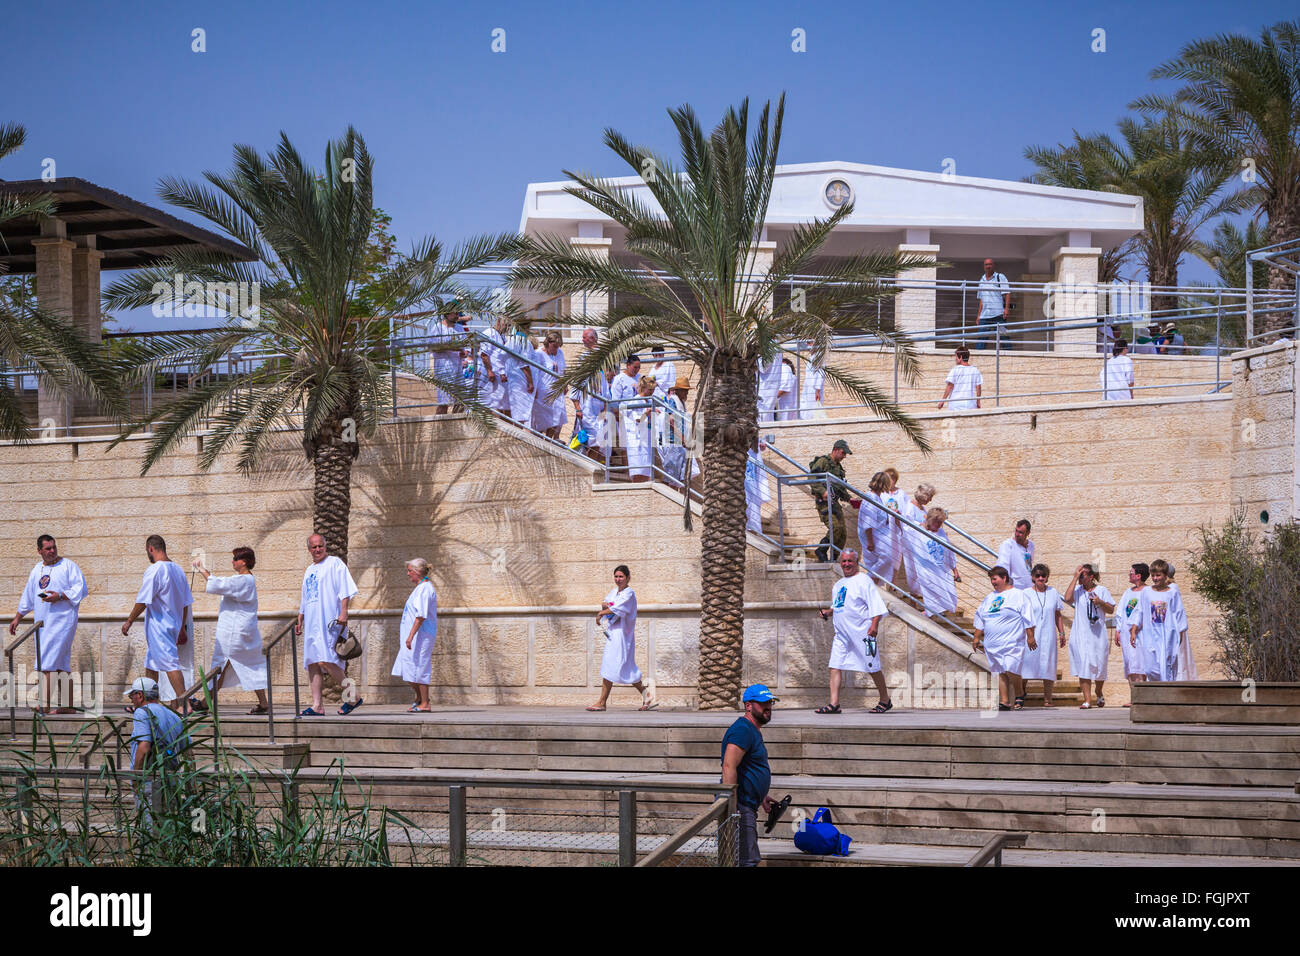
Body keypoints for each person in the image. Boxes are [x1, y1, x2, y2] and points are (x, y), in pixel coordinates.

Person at [9, 534, 87, 714]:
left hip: (63, 622)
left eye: (54, 547)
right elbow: (30, 595)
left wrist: (59, 596)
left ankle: (44, 705)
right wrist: (17, 618)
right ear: (39, 551)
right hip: (43, 624)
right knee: (60, 664)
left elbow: (80, 589)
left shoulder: (68, 566)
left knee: (49, 663)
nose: (52, 551)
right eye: (48, 548)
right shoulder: (37, 570)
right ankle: (68, 706)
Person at [192, 547, 269, 715]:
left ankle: (205, 703)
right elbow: (223, 583)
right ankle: (264, 703)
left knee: (220, 667)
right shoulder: (244, 580)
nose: (232, 561)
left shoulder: (244, 580)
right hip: (244, 632)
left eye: (235, 558)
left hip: (235, 634)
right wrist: (207, 572)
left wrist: (201, 569)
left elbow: (219, 584)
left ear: (244, 562)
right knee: (250, 667)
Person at [121, 535, 193, 712]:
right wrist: (181, 627)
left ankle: (185, 705)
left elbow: (143, 600)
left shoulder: (155, 570)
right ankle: (149, 704)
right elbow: (185, 604)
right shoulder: (178, 570)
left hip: (160, 627)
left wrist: (129, 620)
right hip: (173, 626)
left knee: (170, 664)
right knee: (151, 665)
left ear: (150, 549)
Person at [816, 550, 891, 714]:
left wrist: (874, 625)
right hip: (842, 636)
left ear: (856, 562)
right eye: (844, 561)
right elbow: (839, 606)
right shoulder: (838, 585)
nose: (847, 564)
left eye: (850, 561)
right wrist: (828, 612)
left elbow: (876, 605)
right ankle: (834, 704)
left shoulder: (864, 581)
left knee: (873, 666)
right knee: (834, 665)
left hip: (865, 635)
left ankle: (885, 700)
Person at [295, 533, 360, 716]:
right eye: (313, 547)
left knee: (328, 659)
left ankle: (353, 696)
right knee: (313, 662)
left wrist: (344, 611)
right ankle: (317, 705)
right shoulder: (309, 570)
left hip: (330, 620)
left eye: (320, 546)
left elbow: (344, 589)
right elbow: (305, 596)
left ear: (325, 546)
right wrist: (300, 616)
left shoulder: (335, 563)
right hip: (312, 622)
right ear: (309, 549)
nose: (317, 550)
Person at [721, 684, 778, 867]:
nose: (768, 706)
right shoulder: (743, 730)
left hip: (747, 803)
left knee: (744, 858)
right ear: (748, 706)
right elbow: (729, 766)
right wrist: (732, 808)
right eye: (763, 703)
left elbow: (748, 768)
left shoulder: (752, 730)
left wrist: (761, 795)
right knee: (746, 861)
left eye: (770, 702)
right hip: (740, 806)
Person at [125, 676, 189, 829]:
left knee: (149, 830)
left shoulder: (142, 712)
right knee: (167, 829)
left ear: (140, 695)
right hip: (170, 778)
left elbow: (144, 746)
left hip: (150, 779)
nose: (131, 700)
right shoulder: (173, 715)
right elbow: (188, 750)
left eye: (131, 696)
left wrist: (136, 777)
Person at [588, 565, 653, 711]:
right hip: (613, 634)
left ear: (628, 577)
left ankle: (602, 702)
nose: (618, 579)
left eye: (621, 577)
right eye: (616, 576)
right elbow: (607, 603)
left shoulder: (629, 593)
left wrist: (601, 613)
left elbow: (616, 608)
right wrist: (606, 607)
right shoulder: (614, 592)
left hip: (623, 636)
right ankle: (645, 695)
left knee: (618, 666)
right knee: (614, 667)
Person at [972, 566, 1036, 710]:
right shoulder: (989, 597)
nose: (992, 582)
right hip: (992, 643)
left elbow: (1027, 616)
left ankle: (1020, 693)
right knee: (999, 671)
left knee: (1011, 668)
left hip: (1012, 641)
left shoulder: (1018, 594)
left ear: (1004, 578)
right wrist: (976, 637)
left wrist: (1030, 636)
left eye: (994, 579)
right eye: (991, 579)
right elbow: (981, 618)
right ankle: (1005, 701)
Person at [1064, 563, 1116, 709]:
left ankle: (1098, 691)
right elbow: (1067, 598)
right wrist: (1075, 578)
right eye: (1079, 575)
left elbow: (1111, 609)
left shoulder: (1101, 590)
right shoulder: (1078, 590)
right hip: (1080, 634)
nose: (1080, 577)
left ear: (1091, 576)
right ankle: (1087, 699)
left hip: (1097, 635)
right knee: (1083, 665)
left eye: (1082, 575)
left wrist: (1100, 602)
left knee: (1099, 665)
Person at [1131, 559, 1188, 683]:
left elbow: (1179, 613)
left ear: (1165, 576)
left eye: (1158, 575)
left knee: (1166, 668)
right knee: (1150, 668)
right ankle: (1158, 688)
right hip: (1150, 635)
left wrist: (1180, 635)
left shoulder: (1172, 593)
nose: (1155, 578)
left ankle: (1167, 696)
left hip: (1167, 636)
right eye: (1153, 575)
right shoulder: (1146, 592)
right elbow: (1140, 611)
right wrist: (1134, 629)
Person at [393, 558, 438, 713]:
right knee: (407, 667)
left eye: (410, 571)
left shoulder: (425, 589)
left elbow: (421, 616)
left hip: (421, 636)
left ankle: (425, 703)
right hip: (412, 636)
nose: (408, 574)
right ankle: (419, 699)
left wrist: (411, 635)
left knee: (420, 666)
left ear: (417, 572)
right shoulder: (419, 588)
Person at [1019, 564, 1066, 707]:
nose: (1040, 578)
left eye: (1043, 575)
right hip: (1031, 633)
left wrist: (1062, 632)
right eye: (1038, 575)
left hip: (1049, 634)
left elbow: (1057, 614)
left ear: (1047, 577)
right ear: (1033, 577)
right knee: (1026, 664)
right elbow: (1024, 616)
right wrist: (1030, 636)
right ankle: (1020, 696)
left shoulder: (1053, 592)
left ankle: (1048, 699)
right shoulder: (1026, 593)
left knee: (1048, 664)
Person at [908, 506, 961, 619]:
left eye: (940, 522)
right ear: (929, 519)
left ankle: (938, 611)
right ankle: (931, 611)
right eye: (935, 522)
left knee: (945, 590)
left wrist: (955, 570)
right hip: (926, 568)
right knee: (930, 586)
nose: (937, 525)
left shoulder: (941, 532)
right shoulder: (918, 529)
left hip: (941, 569)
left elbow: (949, 551)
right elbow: (904, 527)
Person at [809, 440, 852, 562]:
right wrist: (823, 491)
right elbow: (812, 478)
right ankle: (821, 550)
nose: (844, 456)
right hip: (824, 503)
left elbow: (840, 488)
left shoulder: (838, 468)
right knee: (835, 528)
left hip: (835, 503)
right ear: (835, 450)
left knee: (842, 533)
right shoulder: (823, 461)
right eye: (843, 453)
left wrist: (849, 499)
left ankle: (834, 558)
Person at [1115, 562, 1151, 701]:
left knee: (1139, 664)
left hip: (1140, 634)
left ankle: (1141, 698)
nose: (1129, 575)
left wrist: (1136, 628)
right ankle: (1134, 697)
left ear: (1138, 575)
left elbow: (1144, 613)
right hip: (1125, 633)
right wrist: (1118, 630)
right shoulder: (1128, 592)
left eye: (1131, 573)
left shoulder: (1147, 591)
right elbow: (1121, 612)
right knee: (1130, 664)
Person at [857, 472, 896, 582]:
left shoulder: (877, 498)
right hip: (874, 538)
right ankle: (868, 580)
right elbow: (868, 521)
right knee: (886, 558)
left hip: (879, 538)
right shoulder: (871, 499)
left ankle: (872, 585)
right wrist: (870, 541)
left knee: (881, 562)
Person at [900, 482, 936, 598]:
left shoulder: (923, 509)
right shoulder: (910, 507)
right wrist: (920, 525)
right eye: (929, 497)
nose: (930, 500)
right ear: (924, 496)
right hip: (913, 545)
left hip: (922, 545)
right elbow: (906, 525)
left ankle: (923, 598)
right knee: (914, 571)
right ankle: (915, 599)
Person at [531, 330, 568, 440]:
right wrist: (535, 389)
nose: (556, 349)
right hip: (543, 390)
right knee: (543, 418)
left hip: (557, 390)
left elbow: (563, 370)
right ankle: (539, 439)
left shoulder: (559, 353)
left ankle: (552, 438)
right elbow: (534, 372)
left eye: (558, 347)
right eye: (554, 346)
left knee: (558, 415)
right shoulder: (538, 354)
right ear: (548, 343)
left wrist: (565, 384)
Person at [430, 306, 466, 415]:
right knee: (443, 401)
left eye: (458, 313)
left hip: (458, 367)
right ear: (447, 314)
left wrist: (464, 352)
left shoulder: (459, 328)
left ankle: (456, 424)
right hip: (443, 368)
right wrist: (452, 347)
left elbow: (465, 345)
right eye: (454, 313)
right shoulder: (437, 328)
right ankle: (440, 427)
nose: (457, 316)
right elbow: (433, 347)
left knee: (461, 400)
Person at [503, 321, 538, 426]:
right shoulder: (523, 341)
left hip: (513, 379)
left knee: (514, 408)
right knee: (521, 410)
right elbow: (525, 364)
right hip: (521, 380)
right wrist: (531, 382)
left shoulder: (510, 341)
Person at [625, 374, 658, 482]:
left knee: (646, 469)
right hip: (636, 440)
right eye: (650, 390)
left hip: (646, 438)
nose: (652, 392)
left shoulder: (647, 401)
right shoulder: (636, 401)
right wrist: (647, 413)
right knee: (638, 469)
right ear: (643, 388)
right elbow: (638, 420)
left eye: (653, 390)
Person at [658, 383, 692, 488]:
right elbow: (671, 421)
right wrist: (683, 439)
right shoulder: (673, 401)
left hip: (679, 442)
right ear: (678, 390)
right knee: (671, 475)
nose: (686, 393)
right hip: (672, 441)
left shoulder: (681, 402)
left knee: (678, 475)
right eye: (684, 390)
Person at [975, 258, 1010, 350]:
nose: (988, 266)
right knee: (981, 340)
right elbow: (981, 299)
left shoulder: (1000, 277)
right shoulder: (981, 280)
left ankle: (1011, 358)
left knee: (1004, 338)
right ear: (984, 267)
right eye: (986, 265)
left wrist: (1006, 309)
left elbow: (1007, 293)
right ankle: (979, 358)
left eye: (990, 264)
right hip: (984, 316)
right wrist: (978, 315)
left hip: (998, 314)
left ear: (993, 266)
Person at [995, 519, 1035, 590]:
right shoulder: (1007, 545)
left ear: (1028, 533)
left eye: (1020, 532)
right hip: (1015, 587)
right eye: (1016, 531)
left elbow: (1028, 566)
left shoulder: (1031, 545)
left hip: (1029, 587)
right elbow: (1002, 566)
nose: (1017, 534)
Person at [744, 441, 771, 533]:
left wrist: (760, 443)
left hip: (750, 477)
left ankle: (753, 528)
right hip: (743, 477)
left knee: (752, 503)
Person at [800, 346, 826, 419]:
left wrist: (817, 390)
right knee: (805, 407)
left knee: (814, 409)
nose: (807, 345)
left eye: (809, 343)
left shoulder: (819, 357)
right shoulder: (812, 358)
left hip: (814, 389)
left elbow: (820, 374)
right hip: (808, 387)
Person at [757, 354, 783, 422]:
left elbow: (763, 367)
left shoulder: (768, 346)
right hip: (769, 385)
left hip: (766, 386)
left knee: (763, 413)